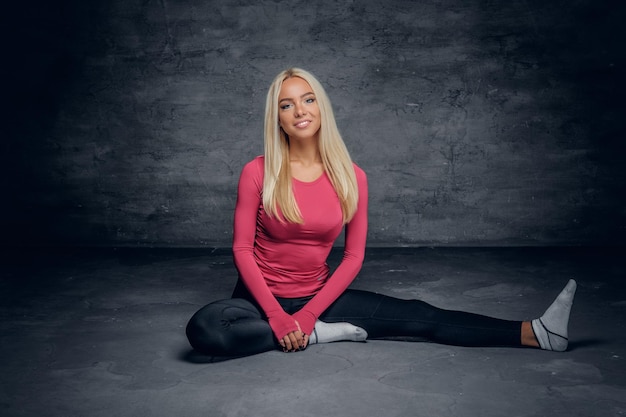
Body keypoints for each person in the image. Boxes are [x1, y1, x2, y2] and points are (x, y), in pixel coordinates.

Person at [186, 68, 576, 358]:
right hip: (258, 297)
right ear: (278, 118)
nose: (299, 111)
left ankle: (536, 332)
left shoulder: (351, 177)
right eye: (286, 105)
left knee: (420, 317)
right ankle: (323, 335)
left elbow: (353, 257)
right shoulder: (257, 171)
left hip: (319, 296)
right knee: (205, 330)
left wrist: (307, 316)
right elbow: (242, 250)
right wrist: (276, 314)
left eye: (307, 99)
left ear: (321, 106)